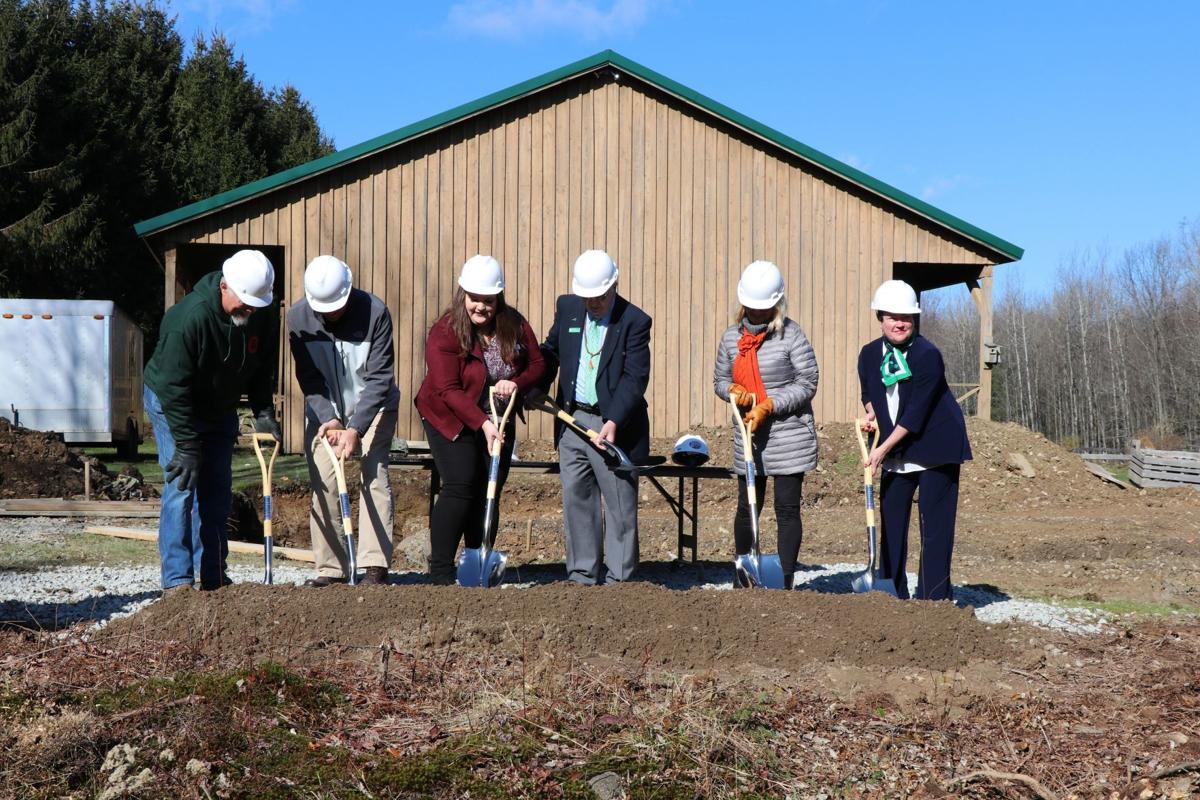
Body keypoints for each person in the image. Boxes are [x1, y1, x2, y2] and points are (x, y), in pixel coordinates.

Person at [143, 249, 280, 594]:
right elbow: (174, 388)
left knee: (217, 491)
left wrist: (263, 411)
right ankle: (177, 580)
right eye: (244, 304)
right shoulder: (188, 319)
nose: (249, 311)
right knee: (181, 487)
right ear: (223, 286)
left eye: (255, 305)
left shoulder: (259, 313)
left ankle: (214, 575)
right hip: (174, 403)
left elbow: (262, 365)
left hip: (219, 408)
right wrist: (187, 444)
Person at [414, 255, 546, 584]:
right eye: (475, 299)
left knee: (489, 490)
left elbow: (538, 364)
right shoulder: (444, 332)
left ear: (498, 298)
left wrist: (516, 383)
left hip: (499, 417)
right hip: (450, 416)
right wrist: (482, 424)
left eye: (488, 300)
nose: (481, 307)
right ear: (463, 295)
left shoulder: (513, 324)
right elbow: (447, 388)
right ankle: (441, 571)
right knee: (461, 484)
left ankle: (476, 563)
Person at [537, 250, 652, 585]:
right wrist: (536, 381)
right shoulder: (569, 307)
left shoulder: (634, 321)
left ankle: (620, 582)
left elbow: (634, 378)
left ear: (614, 286)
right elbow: (552, 351)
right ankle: (582, 576)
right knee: (577, 499)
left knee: (619, 505)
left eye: (600, 297)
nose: (593, 304)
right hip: (572, 420)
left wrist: (613, 421)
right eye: (587, 297)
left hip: (611, 424)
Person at [288, 255, 401, 587]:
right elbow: (308, 377)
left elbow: (380, 378)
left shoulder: (375, 312)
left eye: (335, 307)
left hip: (374, 406)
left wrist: (355, 429)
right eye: (323, 309)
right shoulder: (297, 317)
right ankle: (331, 570)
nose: (329, 314)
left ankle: (374, 566)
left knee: (374, 473)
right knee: (324, 479)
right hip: (327, 414)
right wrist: (331, 418)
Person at [857, 279, 972, 601]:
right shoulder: (868, 355)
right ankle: (891, 595)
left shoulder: (927, 355)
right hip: (896, 446)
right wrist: (872, 417)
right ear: (880, 317)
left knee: (935, 529)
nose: (900, 323)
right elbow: (870, 395)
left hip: (936, 445)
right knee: (891, 526)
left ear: (915, 319)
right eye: (893, 316)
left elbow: (916, 413)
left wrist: (881, 449)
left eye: (906, 317)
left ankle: (932, 599)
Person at [713, 260, 819, 590]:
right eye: (752, 307)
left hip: (788, 434)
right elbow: (719, 378)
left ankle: (784, 579)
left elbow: (808, 381)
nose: (757, 313)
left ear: (777, 303)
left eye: (764, 307)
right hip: (748, 435)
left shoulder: (791, 334)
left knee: (786, 510)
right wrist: (731, 390)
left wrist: (770, 404)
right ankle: (745, 576)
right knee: (747, 509)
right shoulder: (732, 338)